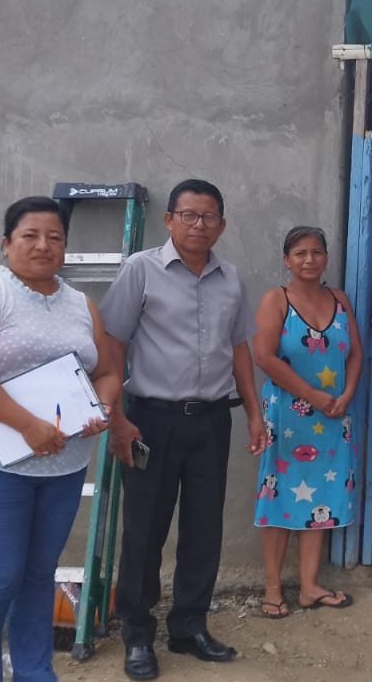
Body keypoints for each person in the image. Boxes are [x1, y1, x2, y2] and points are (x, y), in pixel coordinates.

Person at [99, 179, 266, 681]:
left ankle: (189, 626)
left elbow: (239, 349)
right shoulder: (141, 270)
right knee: (145, 530)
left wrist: (253, 413)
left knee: (203, 529)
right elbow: (112, 345)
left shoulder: (230, 278)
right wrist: (116, 418)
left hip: (211, 421)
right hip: (151, 419)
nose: (199, 225)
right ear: (169, 219)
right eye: (189, 215)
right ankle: (137, 633)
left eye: (209, 216)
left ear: (222, 225)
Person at [0, 197, 116, 682]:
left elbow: (106, 371)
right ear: (6, 243)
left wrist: (102, 409)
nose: (43, 245)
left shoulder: (81, 304)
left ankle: (35, 672)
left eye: (55, 237)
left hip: (64, 465)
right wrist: (27, 425)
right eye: (30, 236)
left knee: (41, 574)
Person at [249, 225, 363, 618]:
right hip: (288, 417)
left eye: (316, 252)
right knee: (279, 494)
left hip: (334, 415)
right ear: (287, 260)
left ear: (326, 257)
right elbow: (263, 357)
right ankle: (273, 588)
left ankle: (310, 586)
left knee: (323, 495)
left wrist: (347, 394)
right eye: (300, 253)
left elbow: (355, 353)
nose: (309, 260)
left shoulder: (339, 299)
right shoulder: (276, 300)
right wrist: (312, 395)